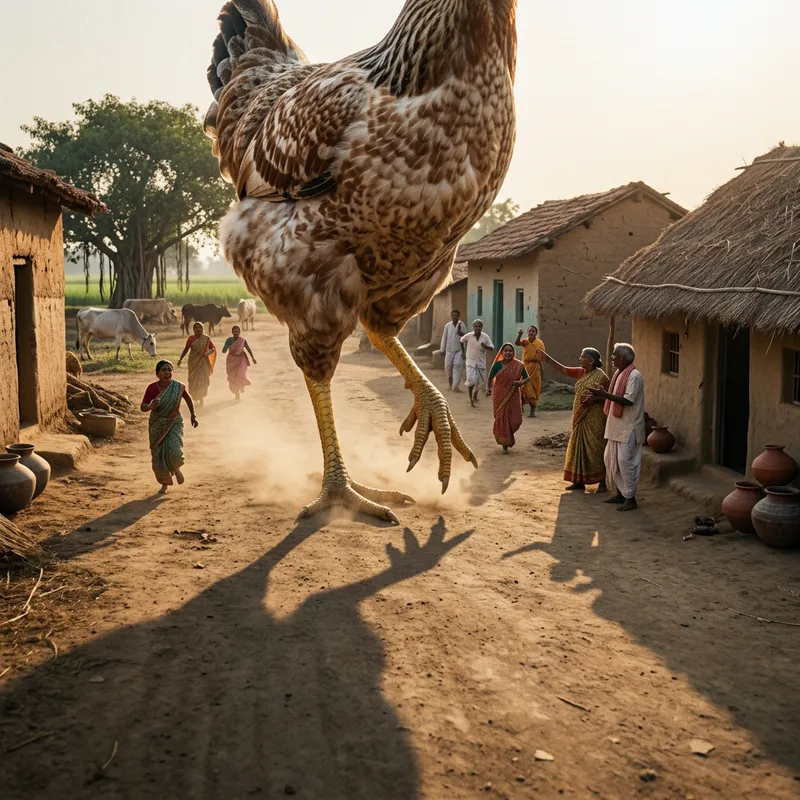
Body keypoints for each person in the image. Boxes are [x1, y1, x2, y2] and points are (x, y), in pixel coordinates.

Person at [540, 347, 610, 492]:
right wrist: (547, 358)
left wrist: (594, 400)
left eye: (582, 356)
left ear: (591, 361)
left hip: (594, 417)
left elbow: (608, 397)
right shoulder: (582, 372)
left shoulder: (602, 377)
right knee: (578, 446)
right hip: (580, 416)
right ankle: (578, 481)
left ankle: (602, 482)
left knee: (596, 448)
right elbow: (563, 370)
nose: (579, 359)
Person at [588, 343, 645, 511]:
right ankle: (621, 494)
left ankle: (630, 498)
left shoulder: (634, 376)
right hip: (616, 426)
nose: (612, 358)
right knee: (611, 460)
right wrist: (602, 395)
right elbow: (615, 398)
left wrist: (605, 395)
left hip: (629, 427)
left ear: (623, 358)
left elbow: (628, 400)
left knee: (625, 462)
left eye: (614, 355)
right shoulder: (619, 374)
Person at [141, 360, 199, 494]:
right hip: (157, 424)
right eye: (163, 370)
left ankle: (176, 469)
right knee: (158, 454)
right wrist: (150, 406)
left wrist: (193, 415)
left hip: (174, 421)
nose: (167, 372)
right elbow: (142, 406)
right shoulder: (152, 388)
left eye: (169, 370)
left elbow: (188, 399)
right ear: (157, 374)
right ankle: (164, 484)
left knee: (175, 451)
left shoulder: (178, 386)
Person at [487, 342, 530, 454]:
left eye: (510, 351)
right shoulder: (497, 365)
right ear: (502, 353)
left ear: (513, 353)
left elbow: (527, 378)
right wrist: (488, 388)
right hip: (499, 394)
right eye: (505, 351)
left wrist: (520, 383)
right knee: (502, 418)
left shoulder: (519, 365)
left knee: (516, 420)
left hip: (514, 394)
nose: (508, 353)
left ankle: (508, 435)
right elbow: (490, 378)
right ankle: (504, 444)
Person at [177, 322, 216, 407]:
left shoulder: (206, 338)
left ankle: (201, 399)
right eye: (196, 328)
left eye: (200, 328)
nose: (198, 329)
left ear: (203, 329)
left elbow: (212, 348)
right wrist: (180, 359)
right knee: (193, 381)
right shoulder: (191, 338)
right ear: (193, 329)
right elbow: (186, 349)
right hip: (193, 363)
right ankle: (196, 398)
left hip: (203, 362)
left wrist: (208, 352)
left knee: (202, 380)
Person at [460, 319, 494, 407]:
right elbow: (461, 340)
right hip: (470, 361)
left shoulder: (485, 337)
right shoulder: (469, 336)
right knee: (471, 379)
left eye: (479, 326)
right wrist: (463, 352)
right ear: (473, 327)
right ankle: (470, 398)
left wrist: (486, 346)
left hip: (480, 361)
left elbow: (492, 348)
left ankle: (475, 395)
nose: (477, 328)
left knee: (481, 382)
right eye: (476, 326)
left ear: (482, 327)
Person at [514, 325, 547, 417]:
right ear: (527, 332)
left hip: (536, 367)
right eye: (529, 331)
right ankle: (521, 408)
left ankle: (532, 411)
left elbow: (543, 356)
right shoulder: (525, 341)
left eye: (533, 331)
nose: (531, 333)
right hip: (526, 366)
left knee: (535, 388)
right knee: (522, 387)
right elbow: (517, 343)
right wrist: (519, 335)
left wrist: (541, 369)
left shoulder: (540, 343)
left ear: (536, 333)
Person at [222, 325, 257, 401]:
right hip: (231, 360)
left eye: (237, 331)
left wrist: (253, 358)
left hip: (241, 359)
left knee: (241, 374)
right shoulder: (229, 340)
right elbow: (224, 350)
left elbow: (248, 349)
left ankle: (242, 385)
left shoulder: (243, 340)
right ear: (232, 332)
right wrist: (226, 346)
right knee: (232, 378)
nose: (236, 333)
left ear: (240, 332)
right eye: (234, 331)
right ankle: (237, 393)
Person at [439, 309, 467, 392]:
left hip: (459, 350)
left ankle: (455, 387)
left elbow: (466, 337)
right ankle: (450, 384)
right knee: (448, 367)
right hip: (449, 350)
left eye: (456, 315)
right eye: (453, 315)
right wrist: (442, 349)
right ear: (451, 316)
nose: (454, 317)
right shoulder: (447, 325)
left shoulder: (462, 325)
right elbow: (444, 337)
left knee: (458, 366)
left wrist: (464, 352)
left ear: (458, 316)